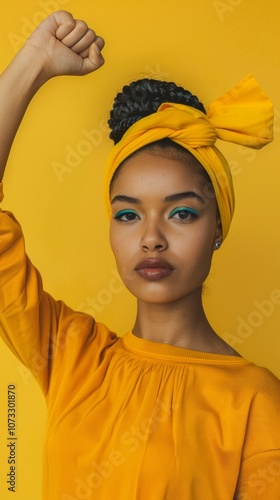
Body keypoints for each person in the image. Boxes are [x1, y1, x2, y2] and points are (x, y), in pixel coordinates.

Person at [0, 10, 280, 500]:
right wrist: (36, 62)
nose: (151, 238)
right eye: (128, 215)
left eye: (182, 214)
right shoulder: (72, 357)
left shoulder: (255, 401)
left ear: (218, 227)